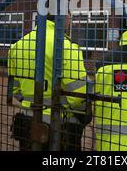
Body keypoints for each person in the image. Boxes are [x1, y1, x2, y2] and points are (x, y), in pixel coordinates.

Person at [7, 13, 90, 151]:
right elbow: (78, 97)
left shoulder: (17, 47)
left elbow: (14, 90)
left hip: (28, 125)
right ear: (63, 18)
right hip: (61, 128)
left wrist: (30, 103)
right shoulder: (67, 47)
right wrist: (85, 116)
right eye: (69, 18)